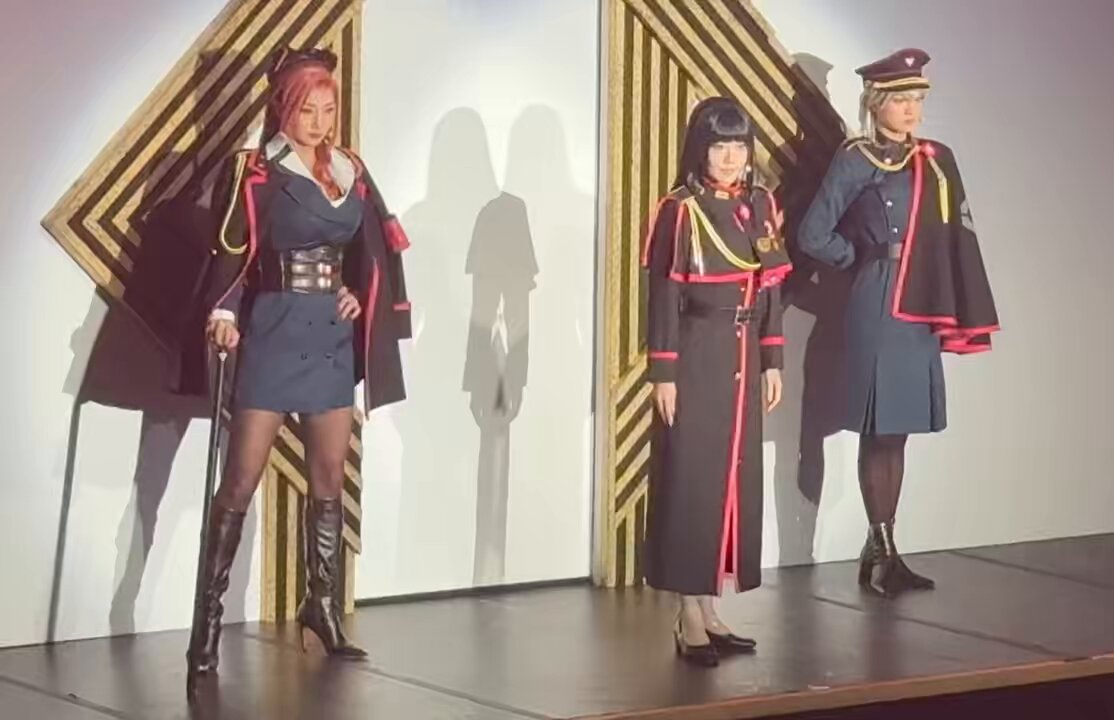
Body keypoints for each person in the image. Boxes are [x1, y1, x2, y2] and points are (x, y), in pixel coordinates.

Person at [179, 46, 412, 675]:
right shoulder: (257, 169)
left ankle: (323, 607)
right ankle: (207, 626)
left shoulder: (350, 168)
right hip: (274, 331)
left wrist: (357, 291)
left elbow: (371, 246)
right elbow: (233, 247)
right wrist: (224, 312)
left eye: (328, 109)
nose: (319, 121)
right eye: (308, 109)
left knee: (329, 477)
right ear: (285, 107)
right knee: (240, 479)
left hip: (330, 337)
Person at [797, 49, 999, 597]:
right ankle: (882, 551)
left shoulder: (935, 159)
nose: (912, 110)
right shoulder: (855, 159)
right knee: (879, 426)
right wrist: (859, 259)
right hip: (879, 299)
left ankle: (883, 549)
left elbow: (953, 234)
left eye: (917, 99)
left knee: (899, 429)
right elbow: (813, 234)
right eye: (901, 99)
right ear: (875, 103)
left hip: (921, 299)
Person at [641, 97, 791, 667]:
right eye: (718, 146)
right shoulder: (680, 210)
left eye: (738, 146)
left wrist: (773, 359)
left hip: (745, 353)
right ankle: (687, 613)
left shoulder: (761, 204)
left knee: (731, 481)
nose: (730, 158)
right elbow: (664, 294)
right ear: (699, 151)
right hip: (698, 353)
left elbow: (771, 289)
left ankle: (709, 610)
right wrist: (664, 371)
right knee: (693, 481)